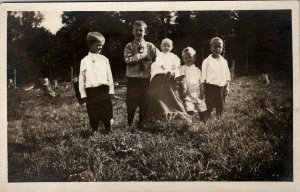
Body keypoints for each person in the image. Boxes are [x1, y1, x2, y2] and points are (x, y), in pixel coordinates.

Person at [143, 40, 188, 124]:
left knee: (177, 70)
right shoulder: (159, 55)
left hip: (171, 69)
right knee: (157, 67)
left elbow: (177, 62)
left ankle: (176, 77)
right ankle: (170, 75)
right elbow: (159, 63)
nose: (166, 48)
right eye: (164, 46)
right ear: (161, 47)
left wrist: (174, 67)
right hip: (163, 69)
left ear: (172, 47)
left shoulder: (173, 56)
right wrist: (164, 68)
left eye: (168, 46)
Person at [124, 20, 157, 129]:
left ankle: (141, 124)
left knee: (144, 102)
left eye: (141, 30)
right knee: (131, 103)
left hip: (146, 79)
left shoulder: (150, 46)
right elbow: (128, 60)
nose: (138, 32)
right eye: (136, 30)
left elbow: (158, 58)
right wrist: (141, 56)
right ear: (132, 31)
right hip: (133, 79)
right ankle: (129, 123)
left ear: (145, 32)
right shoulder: (129, 46)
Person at [79, 32, 114, 134]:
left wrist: (111, 90)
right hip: (91, 91)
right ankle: (94, 129)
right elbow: (82, 79)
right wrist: (83, 94)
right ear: (90, 44)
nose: (100, 47)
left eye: (101, 45)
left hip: (103, 89)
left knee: (107, 110)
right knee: (92, 111)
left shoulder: (104, 60)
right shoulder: (84, 61)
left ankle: (108, 128)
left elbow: (109, 76)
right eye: (98, 44)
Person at [202, 37, 231, 118]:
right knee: (208, 105)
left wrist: (227, 87)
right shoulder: (206, 61)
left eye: (219, 46)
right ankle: (206, 119)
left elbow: (227, 75)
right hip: (210, 87)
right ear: (210, 48)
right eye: (215, 46)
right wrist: (203, 87)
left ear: (222, 48)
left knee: (220, 105)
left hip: (221, 87)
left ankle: (219, 119)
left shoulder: (224, 61)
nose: (217, 48)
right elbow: (203, 75)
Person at [180, 47, 207, 121]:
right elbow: (183, 79)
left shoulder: (197, 70)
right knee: (189, 107)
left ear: (194, 58)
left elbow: (201, 81)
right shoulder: (182, 68)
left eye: (190, 57)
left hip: (197, 92)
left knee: (201, 106)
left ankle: (203, 121)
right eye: (185, 58)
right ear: (183, 59)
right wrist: (184, 89)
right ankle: (189, 122)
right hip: (188, 92)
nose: (188, 59)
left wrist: (202, 91)